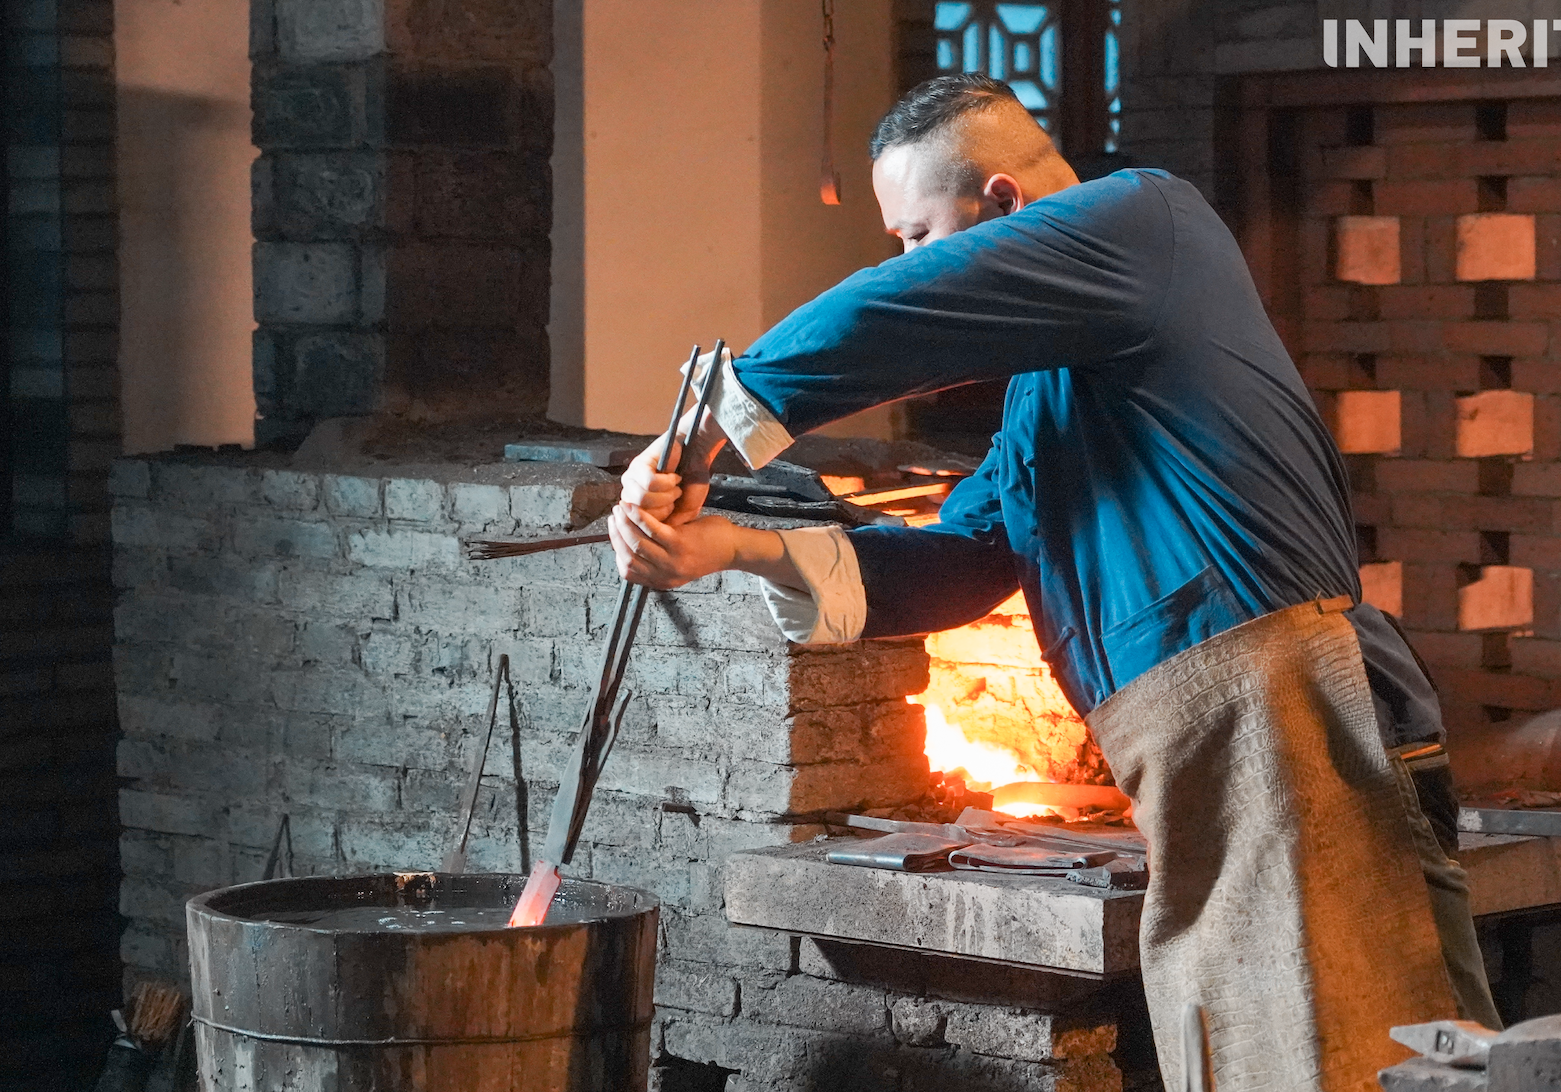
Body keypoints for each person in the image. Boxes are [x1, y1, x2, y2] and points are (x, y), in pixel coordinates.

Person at [609, 73, 1500, 1090]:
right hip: (1211, 762)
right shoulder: (1048, 393)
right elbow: (961, 563)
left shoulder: (1146, 220)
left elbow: (902, 310)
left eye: (916, 234)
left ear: (1001, 203)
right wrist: (730, 546)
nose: (908, 262)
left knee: (1365, 1053)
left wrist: (701, 430)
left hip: (1292, 721)